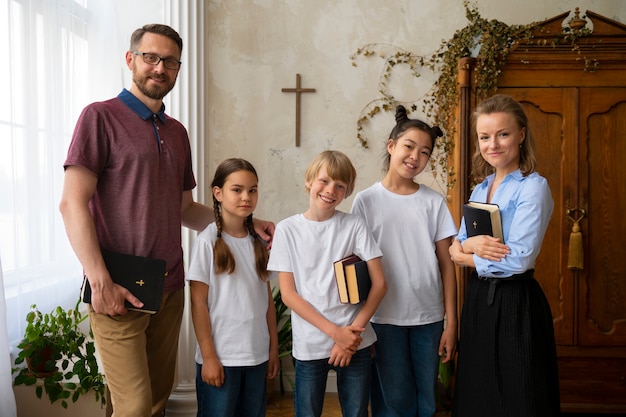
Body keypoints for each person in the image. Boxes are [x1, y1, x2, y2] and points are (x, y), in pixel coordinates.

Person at [59, 24, 273, 417]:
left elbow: (185, 210)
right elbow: (72, 204)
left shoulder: (177, 133)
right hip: (117, 288)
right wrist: (100, 280)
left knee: (154, 401)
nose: (160, 68)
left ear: (177, 69)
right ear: (131, 60)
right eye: (150, 58)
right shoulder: (99, 117)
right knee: (136, 407)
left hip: (169, 288)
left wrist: (246, 221)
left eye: (170, 61)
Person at [449, 94, 559, 417]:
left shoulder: (533, 188)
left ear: (521, 134)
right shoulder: (479, 190)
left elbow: (518, 260)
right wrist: (472, 247)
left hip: (517, 302)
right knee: (478, 393)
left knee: (520, 395)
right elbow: (456, 245)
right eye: (485, 137)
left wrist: (468, 254)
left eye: (503, 134)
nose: (492, 144)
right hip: (479, 299)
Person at [351, 105, 458, 417]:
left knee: (427, 396)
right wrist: (360, 324)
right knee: (392, 397)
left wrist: (451, 323)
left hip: (429, 317)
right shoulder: (366, 201)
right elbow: (357, 266)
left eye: (424, 152)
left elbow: (447, 265)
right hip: (383, 319)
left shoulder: (433, 202)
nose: (415, 157)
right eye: (409, 147)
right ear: (391, 146)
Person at [267, 150, 387, 417]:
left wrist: (350, 336)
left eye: (340, 186)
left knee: (356, 412)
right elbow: (288, 295)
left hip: (356, 341)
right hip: (311, 343)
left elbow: (380, 285)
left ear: (347, 192)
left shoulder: (354, 225)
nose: (330, 190)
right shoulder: (288, 229)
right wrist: (336, 334)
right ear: (309, 181)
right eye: (324, 181)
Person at [187, 158, 279, 417]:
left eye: (252, 190)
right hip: (221, 358)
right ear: (218, 193)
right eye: (237, 190)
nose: (246, 197)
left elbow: (267, 301)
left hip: (256, 357)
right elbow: (198, 304)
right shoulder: (207, 242)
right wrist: (209, 357)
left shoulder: (259, 243)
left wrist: (272, 349)